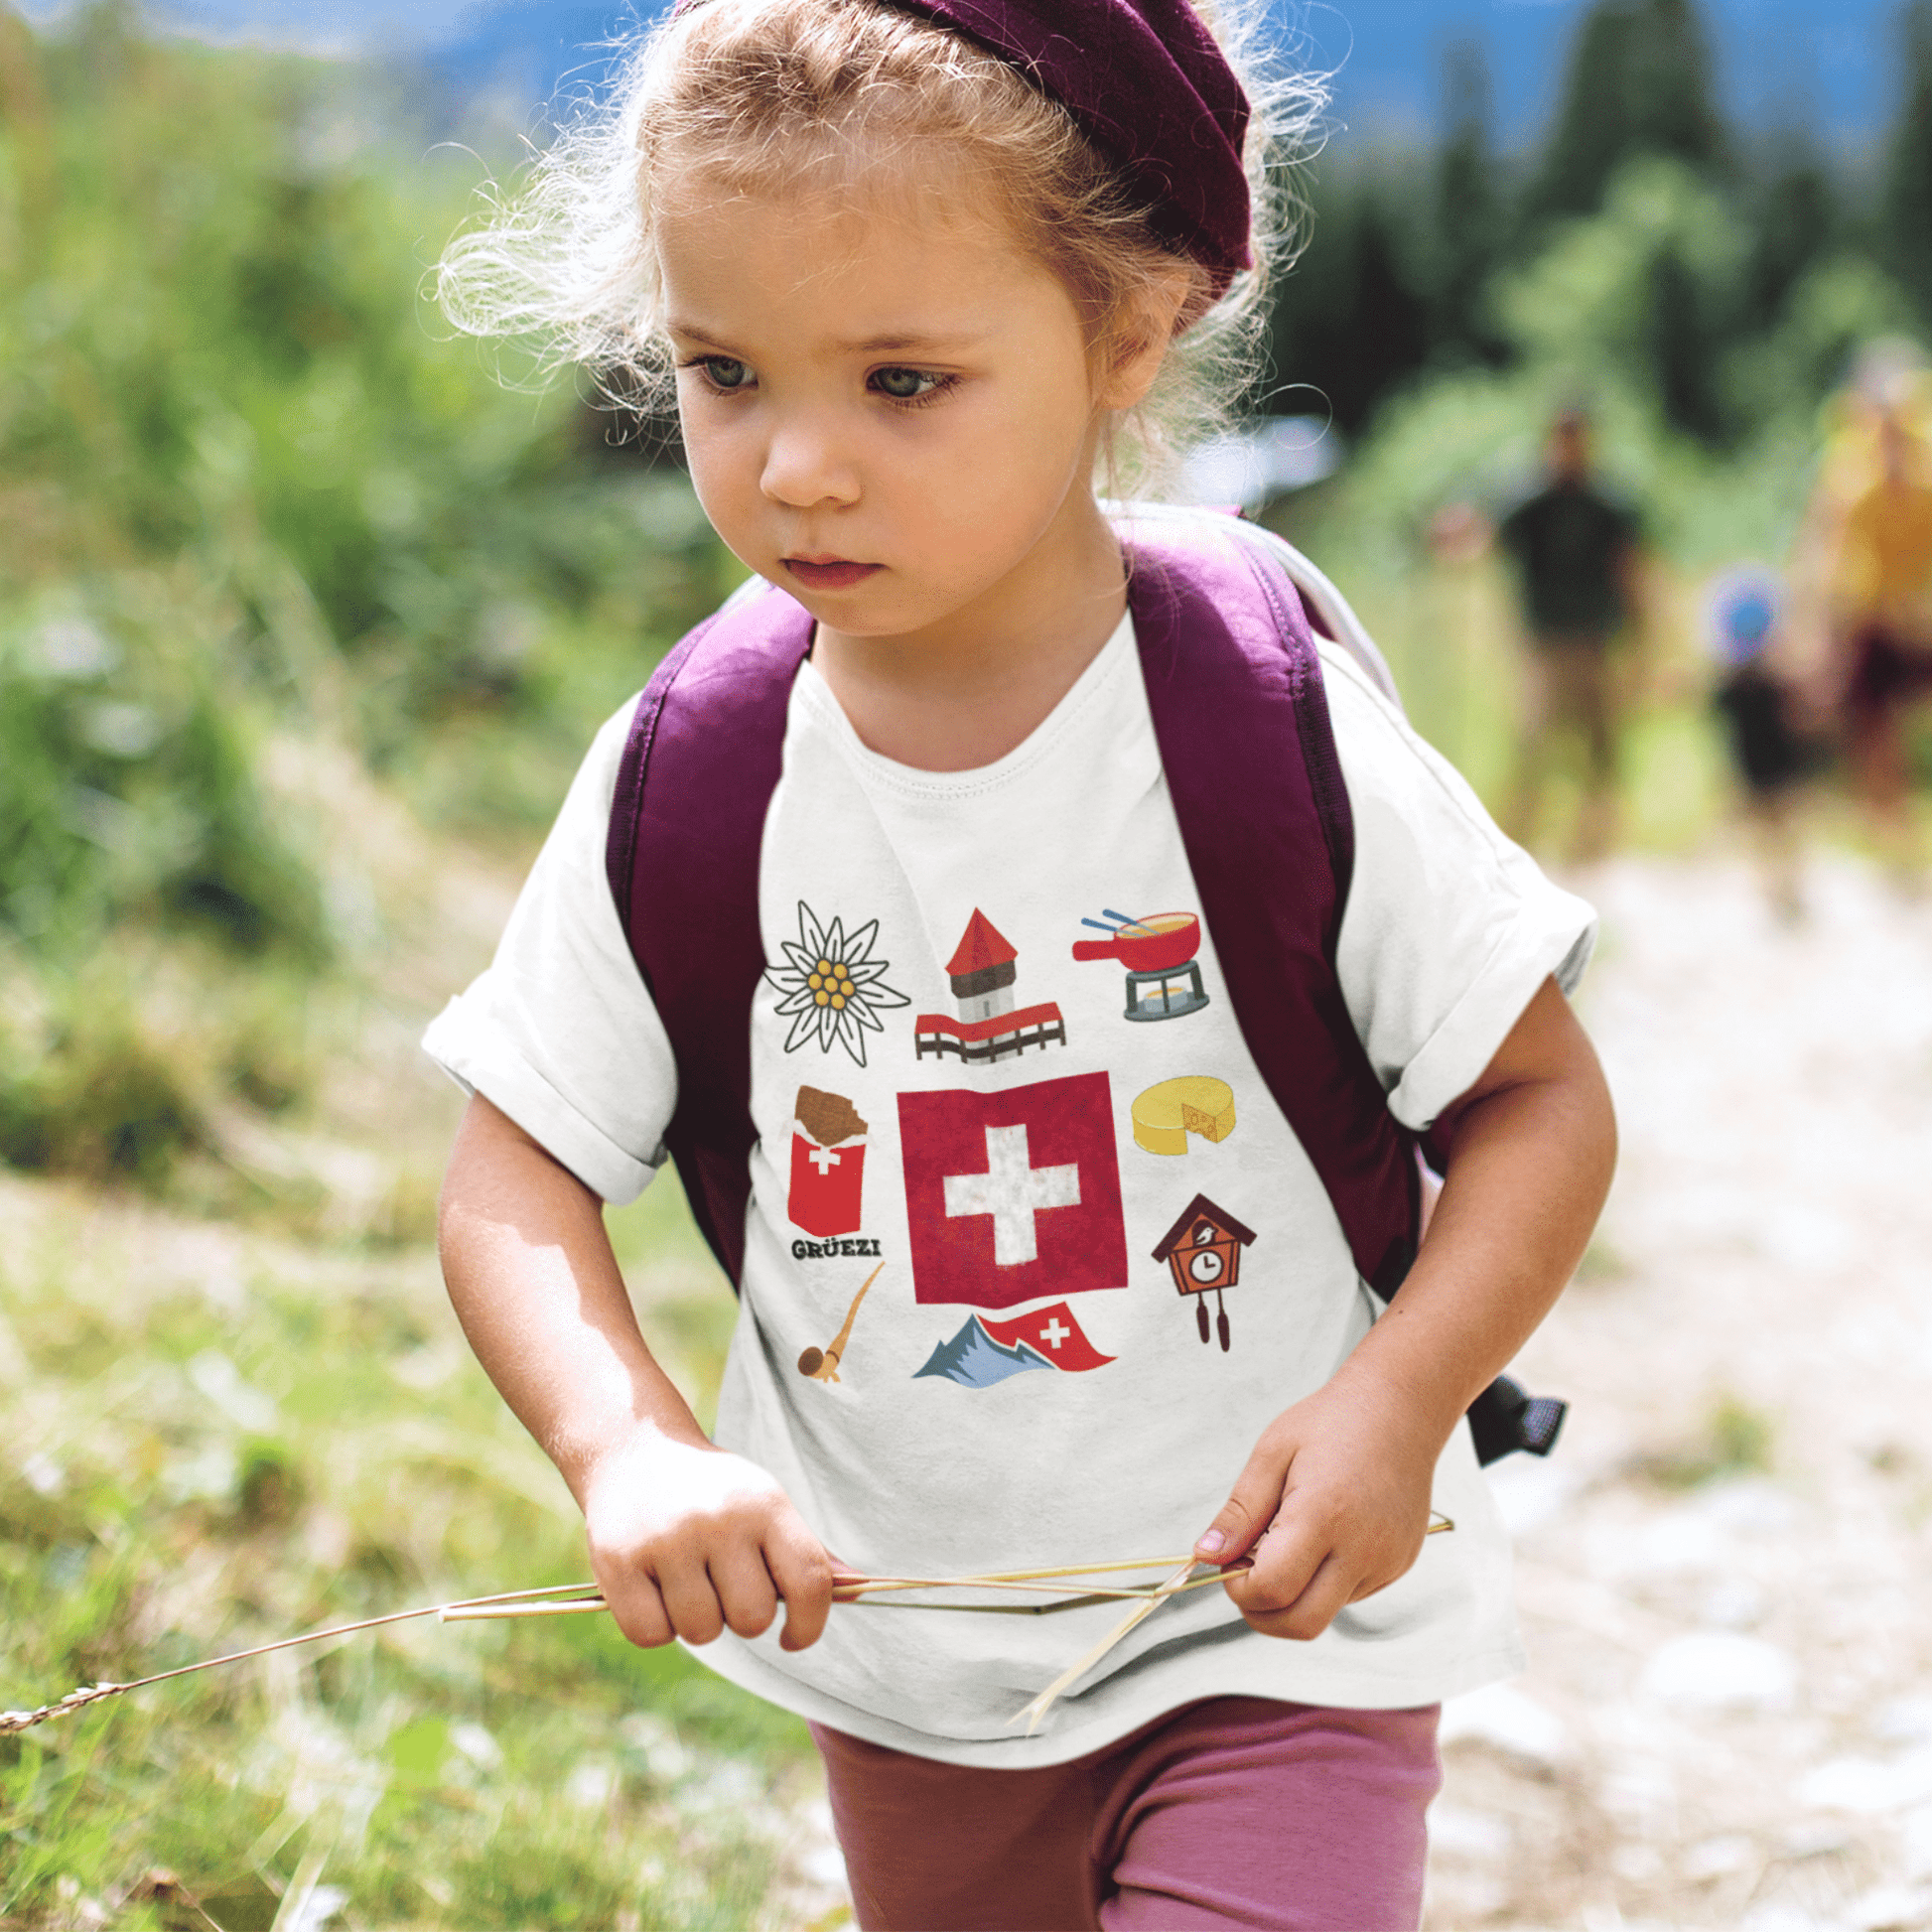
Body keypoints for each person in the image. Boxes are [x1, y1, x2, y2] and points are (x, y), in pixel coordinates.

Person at [425, 4, 1617, 1926]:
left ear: (1125, 338)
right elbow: (517, 1168)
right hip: (907, 1666)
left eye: (903, 381)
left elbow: (1536, 1100)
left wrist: (1399, 1400)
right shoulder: (695, 763)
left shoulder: (1254, 721)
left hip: (1277, 1630)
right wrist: (628, 1445)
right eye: (724, 371)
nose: (796, 465)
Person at [1495, 407, 1646, 864]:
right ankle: (1520, 840)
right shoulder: (1530, 503)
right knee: (1536, 743)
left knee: (1600, 745)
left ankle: (1592, 843)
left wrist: (1641, 641)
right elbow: (1492, 544)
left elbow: (1630, 572)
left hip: (1595, 641)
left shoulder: (1608, 505)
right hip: (1545, 644)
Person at [1828, 406, 1932, 876]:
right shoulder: (1859, 495)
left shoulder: (1925, 494)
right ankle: (1888, 825)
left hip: (1920, 619)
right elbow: (1847, 563)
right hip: (1874, 620)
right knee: (1872, 723)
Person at [1707, 568, 1813, 921]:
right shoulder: (1775, 683)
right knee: (1775, 827)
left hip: (1764, 765)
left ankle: (1780, 885)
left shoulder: (1739, 684)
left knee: (1772, 827)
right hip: (1766, 765)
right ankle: (1780, 886)